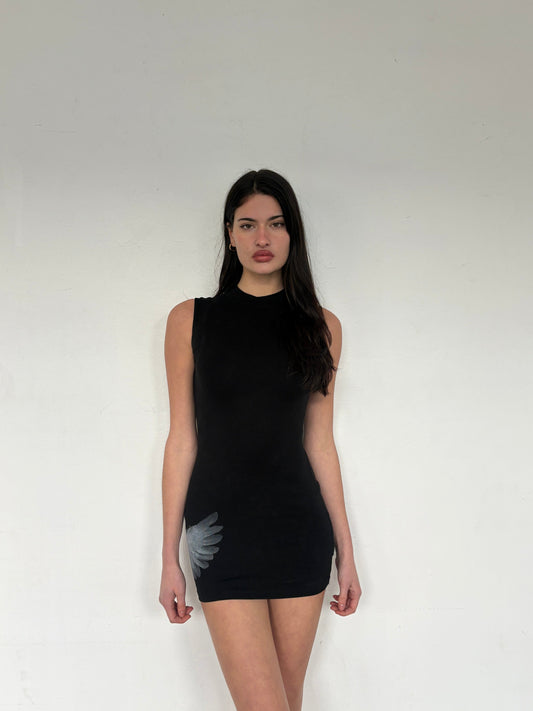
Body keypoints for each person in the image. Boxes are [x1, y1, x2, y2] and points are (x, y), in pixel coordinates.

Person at [159, 168, 362, 711]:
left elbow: (320, 443)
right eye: (247, 225)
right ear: (230, 234)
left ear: (293, 233)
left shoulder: (321, 326)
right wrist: (169, 556)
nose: (262, 238)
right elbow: (182, 439)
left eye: (275, 223)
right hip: (220, 535)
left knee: (287, 703)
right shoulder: (190, 321)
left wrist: (346, 553)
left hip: (299, 531)